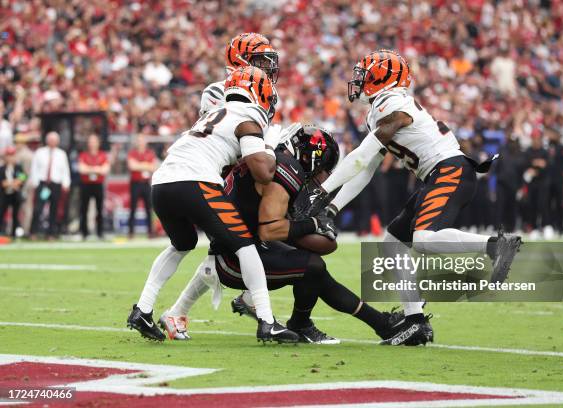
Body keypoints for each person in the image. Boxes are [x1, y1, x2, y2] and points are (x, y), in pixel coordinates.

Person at [293, 50, 522, 346]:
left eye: (367, 75)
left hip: (449, 171)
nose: (359, 81)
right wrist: (334, 206)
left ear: (383, 78)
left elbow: (360, 157)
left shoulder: (392, 103)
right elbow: (367, 168)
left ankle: (497, 245)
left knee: (425, 240)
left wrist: (323, 192)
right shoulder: (381, 108)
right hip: (437, 175)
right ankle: (415, 322)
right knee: (393, 245)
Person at [160, 125, 415, 345]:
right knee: (313, 266)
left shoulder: (270, 158)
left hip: (239, 248)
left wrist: (308, 228)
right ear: (313, 158)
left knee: (313, 264)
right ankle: (311, 324)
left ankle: (378, 322)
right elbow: (271, 229)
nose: (322, 177)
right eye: (324, 168)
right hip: (237, 258)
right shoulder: (286, 168)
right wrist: (313, 224)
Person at [127, 66, 297, 344]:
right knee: (245, 245)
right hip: (195, 182)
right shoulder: (248, 115)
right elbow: (263, 173)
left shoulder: (212, 116)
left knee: (182, 243)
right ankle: (267, 321)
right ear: (260, 93)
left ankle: (143, 310)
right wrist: (268, 146)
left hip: (162, 183)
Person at [29, 131, 71, 240]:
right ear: (47, 140)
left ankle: (51, 233)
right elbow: (34, 168)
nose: (52, 142)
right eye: (50, 139)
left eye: (54, 140)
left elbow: (65, 170)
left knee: (54, 209)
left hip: (55, 184)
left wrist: (66, 183)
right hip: (43, 184)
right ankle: (33, 231)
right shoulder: (40, 152)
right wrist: (35, 182)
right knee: (38, 208)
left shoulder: (61, 154)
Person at [78, 134, 109, 240]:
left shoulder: (102, 155)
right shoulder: (83, 155)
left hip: (98, 184)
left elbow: (105, 170)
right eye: (90, 141)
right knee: (84, 209)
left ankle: (100, 232)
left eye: (94, 141)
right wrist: (97, 169)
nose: (92, 144)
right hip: (86, 184)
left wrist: (90, 168)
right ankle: (84, 232)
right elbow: (82, 169)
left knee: (99, 209)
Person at [127, 134, 157, 238]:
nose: (140, 142)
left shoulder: (150, 153)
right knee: (133, 208)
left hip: (145, 183)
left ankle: (150, 232)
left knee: (149, 208)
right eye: (139, 140)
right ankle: (131, 232)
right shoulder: (132, 153)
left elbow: (153, 167)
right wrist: (145, 165)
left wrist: (139, 165)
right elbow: (132, 166)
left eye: (142, 140)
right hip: (135, 183)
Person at [0, 146, 26, 237]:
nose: (10, 158)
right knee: (1, 212)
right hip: (4, 194)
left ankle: (13, 233)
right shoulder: (2, 168)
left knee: (15, 214)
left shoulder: (18, 167)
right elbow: (2, 182)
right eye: (8, 156)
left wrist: (15, 183)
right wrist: (12, 183)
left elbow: (23, 177)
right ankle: (2, 232)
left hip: (15, 194)